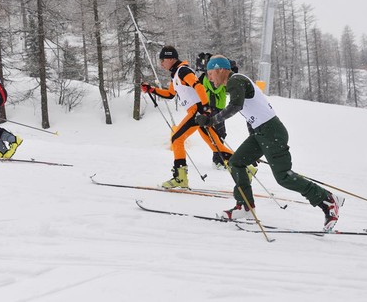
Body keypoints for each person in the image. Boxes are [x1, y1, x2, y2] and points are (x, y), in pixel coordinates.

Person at [195, 55, 344, 231]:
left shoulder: (236, 80)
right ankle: (244, 207)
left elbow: (236, 106)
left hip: (271, 132)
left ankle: (327, 200)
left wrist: (211, 120)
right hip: (262, 133)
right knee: (237, 162)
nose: (209, 78)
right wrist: (255, 148)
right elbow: (252, 114)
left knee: (283, 177)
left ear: (220, 69)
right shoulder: (236, 83)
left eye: (210, 73)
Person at [141, 46, 233, 189]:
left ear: (171, 59)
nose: (161, 64)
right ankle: (245, 167)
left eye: (162, 60)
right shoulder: (176, 74)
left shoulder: (183, 71)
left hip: (197, 110)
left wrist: (205, 108)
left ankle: (180, 178)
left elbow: (198, 86)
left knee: (177, 139)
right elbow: (170, 94)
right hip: (196, 110)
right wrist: (152, 90)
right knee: (215, 144)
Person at [196, 52, 236, 169]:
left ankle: (219, 159)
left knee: (217, 134)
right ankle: (219, 160)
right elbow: (217, 89)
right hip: (214, 108)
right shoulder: (210, 78)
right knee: (218, 134)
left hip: (214, 107)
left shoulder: (207, 77)